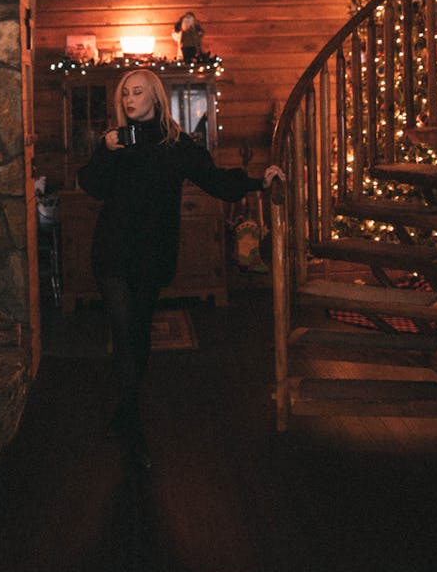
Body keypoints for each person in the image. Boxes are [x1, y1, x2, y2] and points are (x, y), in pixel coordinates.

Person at [77, 68, 284, 469]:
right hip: (113, 250)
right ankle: (134, 427)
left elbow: (215, 180)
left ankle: (125, 410)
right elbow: (92, 185)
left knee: (138, 331)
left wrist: (260, 182)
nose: (129, 100)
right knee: (122, 329)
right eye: (124, 95)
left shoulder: (176, 145)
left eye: (137, 93)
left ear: (155, 97)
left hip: (151, 252)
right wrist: (104, 149)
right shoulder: (115, 142)